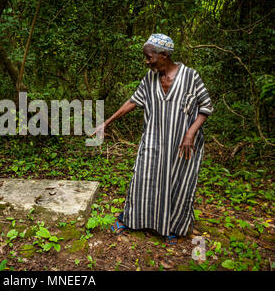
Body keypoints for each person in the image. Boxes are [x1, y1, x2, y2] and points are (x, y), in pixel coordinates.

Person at [91, 33, 214, 244]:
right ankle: (128, 220)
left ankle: (171, 228)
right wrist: (107, 122)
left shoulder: (190, 76)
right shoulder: (150, 78)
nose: (147, 62)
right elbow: (133, 101)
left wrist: (190, 133)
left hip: (182, 145)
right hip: (153, 141)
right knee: (142, 179)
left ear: (164, 55)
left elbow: (206, 107)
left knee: (177, 183)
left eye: (149, 57)